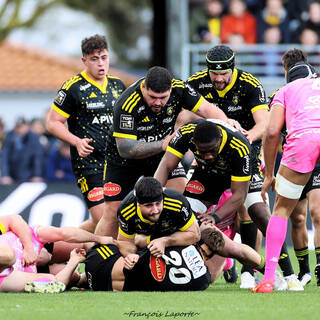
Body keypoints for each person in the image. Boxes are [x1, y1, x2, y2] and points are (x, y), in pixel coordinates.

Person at [181, 44, 296, 289]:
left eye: (224, 74)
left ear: (233, 69)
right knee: (187, 209)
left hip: (244, 150)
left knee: (253, 210)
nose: (219, 78)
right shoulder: (195, 82)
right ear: (208, 70)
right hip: (207, 155)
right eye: (215, 74)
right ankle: (192, 261)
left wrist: (244, 137)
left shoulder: (249, 84)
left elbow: (264, 124)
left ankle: (280, 273)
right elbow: (183, 117)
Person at [95, 66, 238, 238]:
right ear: (144, 87)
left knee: (178, 198)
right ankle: (99, 257)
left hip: (159, 155)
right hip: (123, 159)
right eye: (152, 97)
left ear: (170, 89)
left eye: (163, 98)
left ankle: (169, 247)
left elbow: (208, 110)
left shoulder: (180, 89)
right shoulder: (127, 102)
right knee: (113, 211)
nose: (158, 102)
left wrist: (227, 124)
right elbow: (125, 148)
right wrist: (162, 144)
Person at [46, 34, 126, 233]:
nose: (101, 64)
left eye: (104, 58)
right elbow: (52, 123)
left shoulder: (118, 85)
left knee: (114, 222)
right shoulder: (73, 87)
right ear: (84, 61)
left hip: (118, 164)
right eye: (94, 59)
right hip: (90, 165)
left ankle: (67, 243)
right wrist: (77, 142)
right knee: (107, 224)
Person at [252, 64, 320, 293]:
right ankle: (304, 271)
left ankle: (269, 279)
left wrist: (269, 174)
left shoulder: (284, 91)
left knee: (281, 211)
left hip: (302, 142)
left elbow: (271, 133)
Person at [0, 221, 114, 292]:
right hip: (31, 271)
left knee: (79, 244)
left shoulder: (26, 236)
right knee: (75, 277)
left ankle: (105, 245)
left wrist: (28, 248)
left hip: (30, 242)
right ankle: (82, 279)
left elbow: (14, 219)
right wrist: (73, 261)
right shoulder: (6, 279)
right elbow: (55, 283)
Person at [117, 177, 200, 257]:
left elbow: (195, 235)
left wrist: (164, 241)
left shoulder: (177, 202)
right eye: (149, 206)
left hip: (176, 236)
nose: (155, 210)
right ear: (138, 204)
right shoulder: (126, 210)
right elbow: (124, 242)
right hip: (149, 240)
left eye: (158, 203)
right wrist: (131, 256)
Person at [0, 117, 44, 184]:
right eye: (18, 127)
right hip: (11, 177)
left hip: (29, 177)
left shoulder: (33, 138)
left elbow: (37, 158)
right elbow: (4, 157)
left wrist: (36, 175)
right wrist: (5, 175)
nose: (19, 129)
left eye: (22, 126)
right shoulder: (9, 137)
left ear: (27, 126)